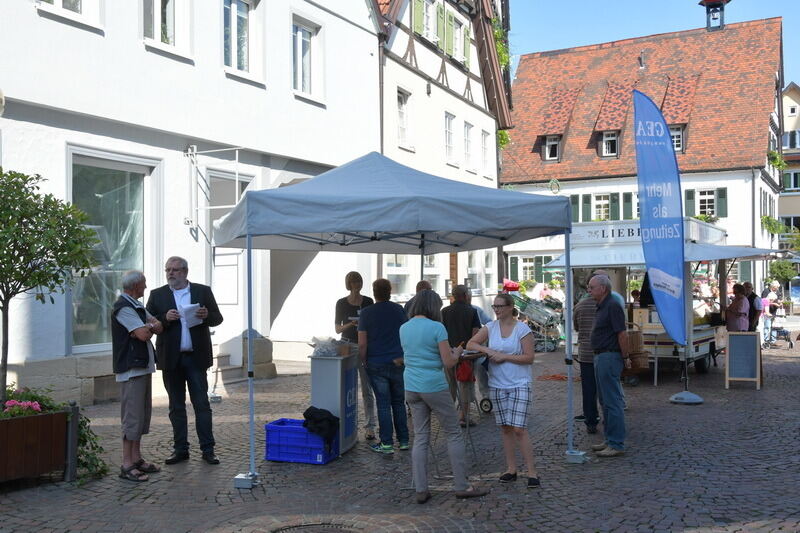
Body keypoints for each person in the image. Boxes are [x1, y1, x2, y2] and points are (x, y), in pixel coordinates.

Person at [400, 289, 487, 503]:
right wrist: (456, 353)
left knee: (421, 437)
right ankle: (462, 486)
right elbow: (448, 362)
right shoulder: (436, 327)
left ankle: (421, 488)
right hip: (433, 385)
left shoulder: (404, 327)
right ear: (432, 306)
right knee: (453, 433)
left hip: (411, 385)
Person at [146, 256, 223, 465]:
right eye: (168, 270)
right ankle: (180, 449)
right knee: (176, 407)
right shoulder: (157, 295)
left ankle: (208, 450)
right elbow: (148, 323)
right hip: (171, 359)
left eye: (175, 270)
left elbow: (217, 318)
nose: (171, 273)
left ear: (185, 272)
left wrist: (206, 315)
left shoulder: (202, 291)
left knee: (202, 405)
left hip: (195, 358)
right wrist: (164, 319)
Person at [467, 293, 540, 488]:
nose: (496, 309)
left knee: (519, 429)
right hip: (498, 384)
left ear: (510, 307)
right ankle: (511, 469)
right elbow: (471, 343)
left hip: (519, 383)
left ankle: (532, 472)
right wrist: (489, 351)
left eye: (499, 306)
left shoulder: (522, 329)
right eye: (494, 306)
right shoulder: (490, 327)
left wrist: (504, 356)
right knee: (506, 428)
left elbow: (529, 358)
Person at [112, 270, 163, 482]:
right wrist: (146, 328)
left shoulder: (136, 305)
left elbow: (157, 327)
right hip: (131, 370)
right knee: (132, 417)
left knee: (141, 416)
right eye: (143, 283)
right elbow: (143, 335)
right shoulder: (123, 307)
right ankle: (126, 464)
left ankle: (137, 458)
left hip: (142, 367)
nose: (146, 286)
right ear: (135, 286)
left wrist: (147, 326)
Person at [358, 278, 409, 454]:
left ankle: (386, 443)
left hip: (376, 362)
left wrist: (363, 360)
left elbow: (362, 343)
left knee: (383, 404)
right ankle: (403, 440)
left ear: (374, 292)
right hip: (397, 361)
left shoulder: (366, 313)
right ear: (390, 291)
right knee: (399, 403)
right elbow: (406, 334)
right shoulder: (399, 310)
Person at [586, 275, 629, 458]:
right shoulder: (602, 305)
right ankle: (610, 439)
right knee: (604, 401)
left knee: (612, 402)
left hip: (609, 356)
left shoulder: (612, 305)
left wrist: (625, 357)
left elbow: (622, 334)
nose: (589, 290)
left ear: (602, 288)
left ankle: (616, 443)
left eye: (591, 287)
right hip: (601, 356)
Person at [334, 271, 377, 441]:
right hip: (347, 344)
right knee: (346, 387)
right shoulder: (341, 303)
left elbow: (373, 324)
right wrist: (351, 324)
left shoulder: (368, 302)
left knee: (367, 387)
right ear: (348, 284)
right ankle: (347, 424)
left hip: (364, 345)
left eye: (359, 281)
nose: (357, 285)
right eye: (353, 282)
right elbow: (337, 329)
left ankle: (370, 427)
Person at [441, 285, 481, 427]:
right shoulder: (472, 311)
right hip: (466, 355)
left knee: (449, 385)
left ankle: (449, 417)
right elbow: (475, 333)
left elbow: (440, 334)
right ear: (465, 295)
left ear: (453, 295)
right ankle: (464, 416)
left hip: (448, 354)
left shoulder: (444, 312)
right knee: (466, 385)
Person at [573, 294, 600, 434]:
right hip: (603, 352)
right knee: (606, 389)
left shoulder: (579, 306)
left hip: (585, 353)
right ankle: (609, 420)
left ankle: (591, 421)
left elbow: (576, 327)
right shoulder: (608, 304)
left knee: (588, 390)